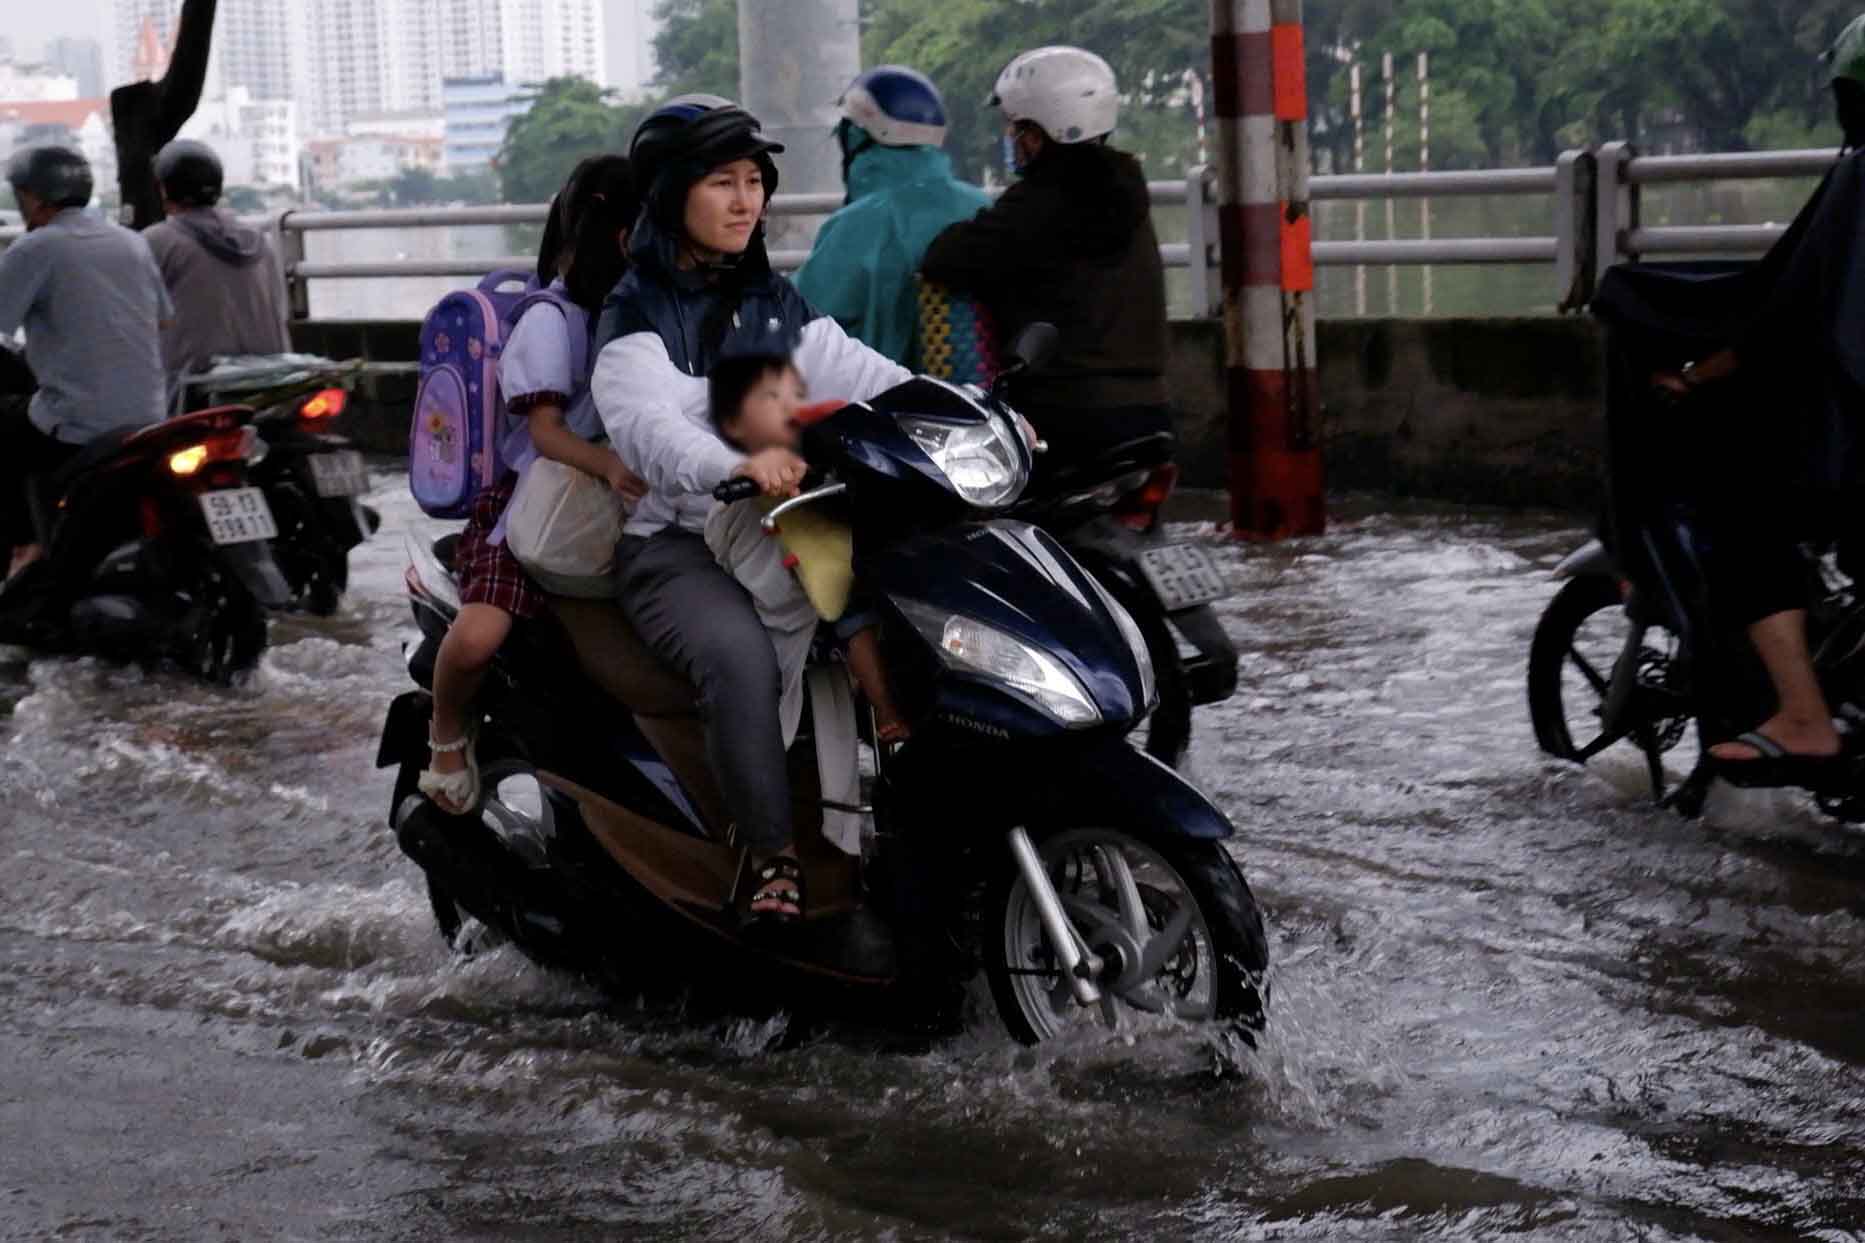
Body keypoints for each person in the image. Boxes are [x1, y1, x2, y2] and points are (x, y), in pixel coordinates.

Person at [592, 99, 911, 928]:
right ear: (668, 197)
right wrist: (736, 462)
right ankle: (769, 851)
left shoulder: (772, 302)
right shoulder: (634, 314)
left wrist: (978, 412)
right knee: (738, 657)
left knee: (905, 594)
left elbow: (871, 373)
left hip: (784, 516)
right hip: (674, 541)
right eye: (721, 183)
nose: (746, 202)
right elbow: (647, 431)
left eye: (754, 183)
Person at [1621, 15, 1865, 784]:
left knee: (1745, 520)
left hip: (1848, 449)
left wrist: (1693, 372)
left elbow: (1788, 314)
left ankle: (1802, 715)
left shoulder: (1859, 181)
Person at [419, 155, 649, 814]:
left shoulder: (646, 313)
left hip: (619, 499)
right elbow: (544, 433)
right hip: (533, 500)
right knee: (478, 635)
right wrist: (604, 463)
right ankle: (444, 732)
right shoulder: (552, 319)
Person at [920, 46, 1170, 476]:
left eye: (1018, 129)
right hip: (1152, 409)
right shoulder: (1129, 191)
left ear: (1038, 134)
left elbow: (946, 258)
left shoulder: (1038, 204)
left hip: (1065, 413)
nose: (1013, 139)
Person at [703, 347, 911, 750]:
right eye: (771, 397)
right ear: (732, 421)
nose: (790, 406)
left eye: (795, 394)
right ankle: (886, 709)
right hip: (784, 555)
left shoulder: (810, 435)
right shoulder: (738, 463)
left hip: (827, 528)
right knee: (850, 603)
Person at [0, 145, 172, 581]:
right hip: (150, 418)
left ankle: (27, 549)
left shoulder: (34, 248)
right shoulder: (131, 242)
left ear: (32, 197)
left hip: (78, 422)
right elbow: (163, 321)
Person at [792, 66, 989, 369]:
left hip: (880, 402)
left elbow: (798, 315)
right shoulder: (981, 205)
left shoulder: (856, 224)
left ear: (857, 136)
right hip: (980, 401)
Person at [143, 139, 291, 401]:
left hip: (194, 391)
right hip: (274, 379)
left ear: (164, 189)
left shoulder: (157, 241)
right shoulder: (258, 240)